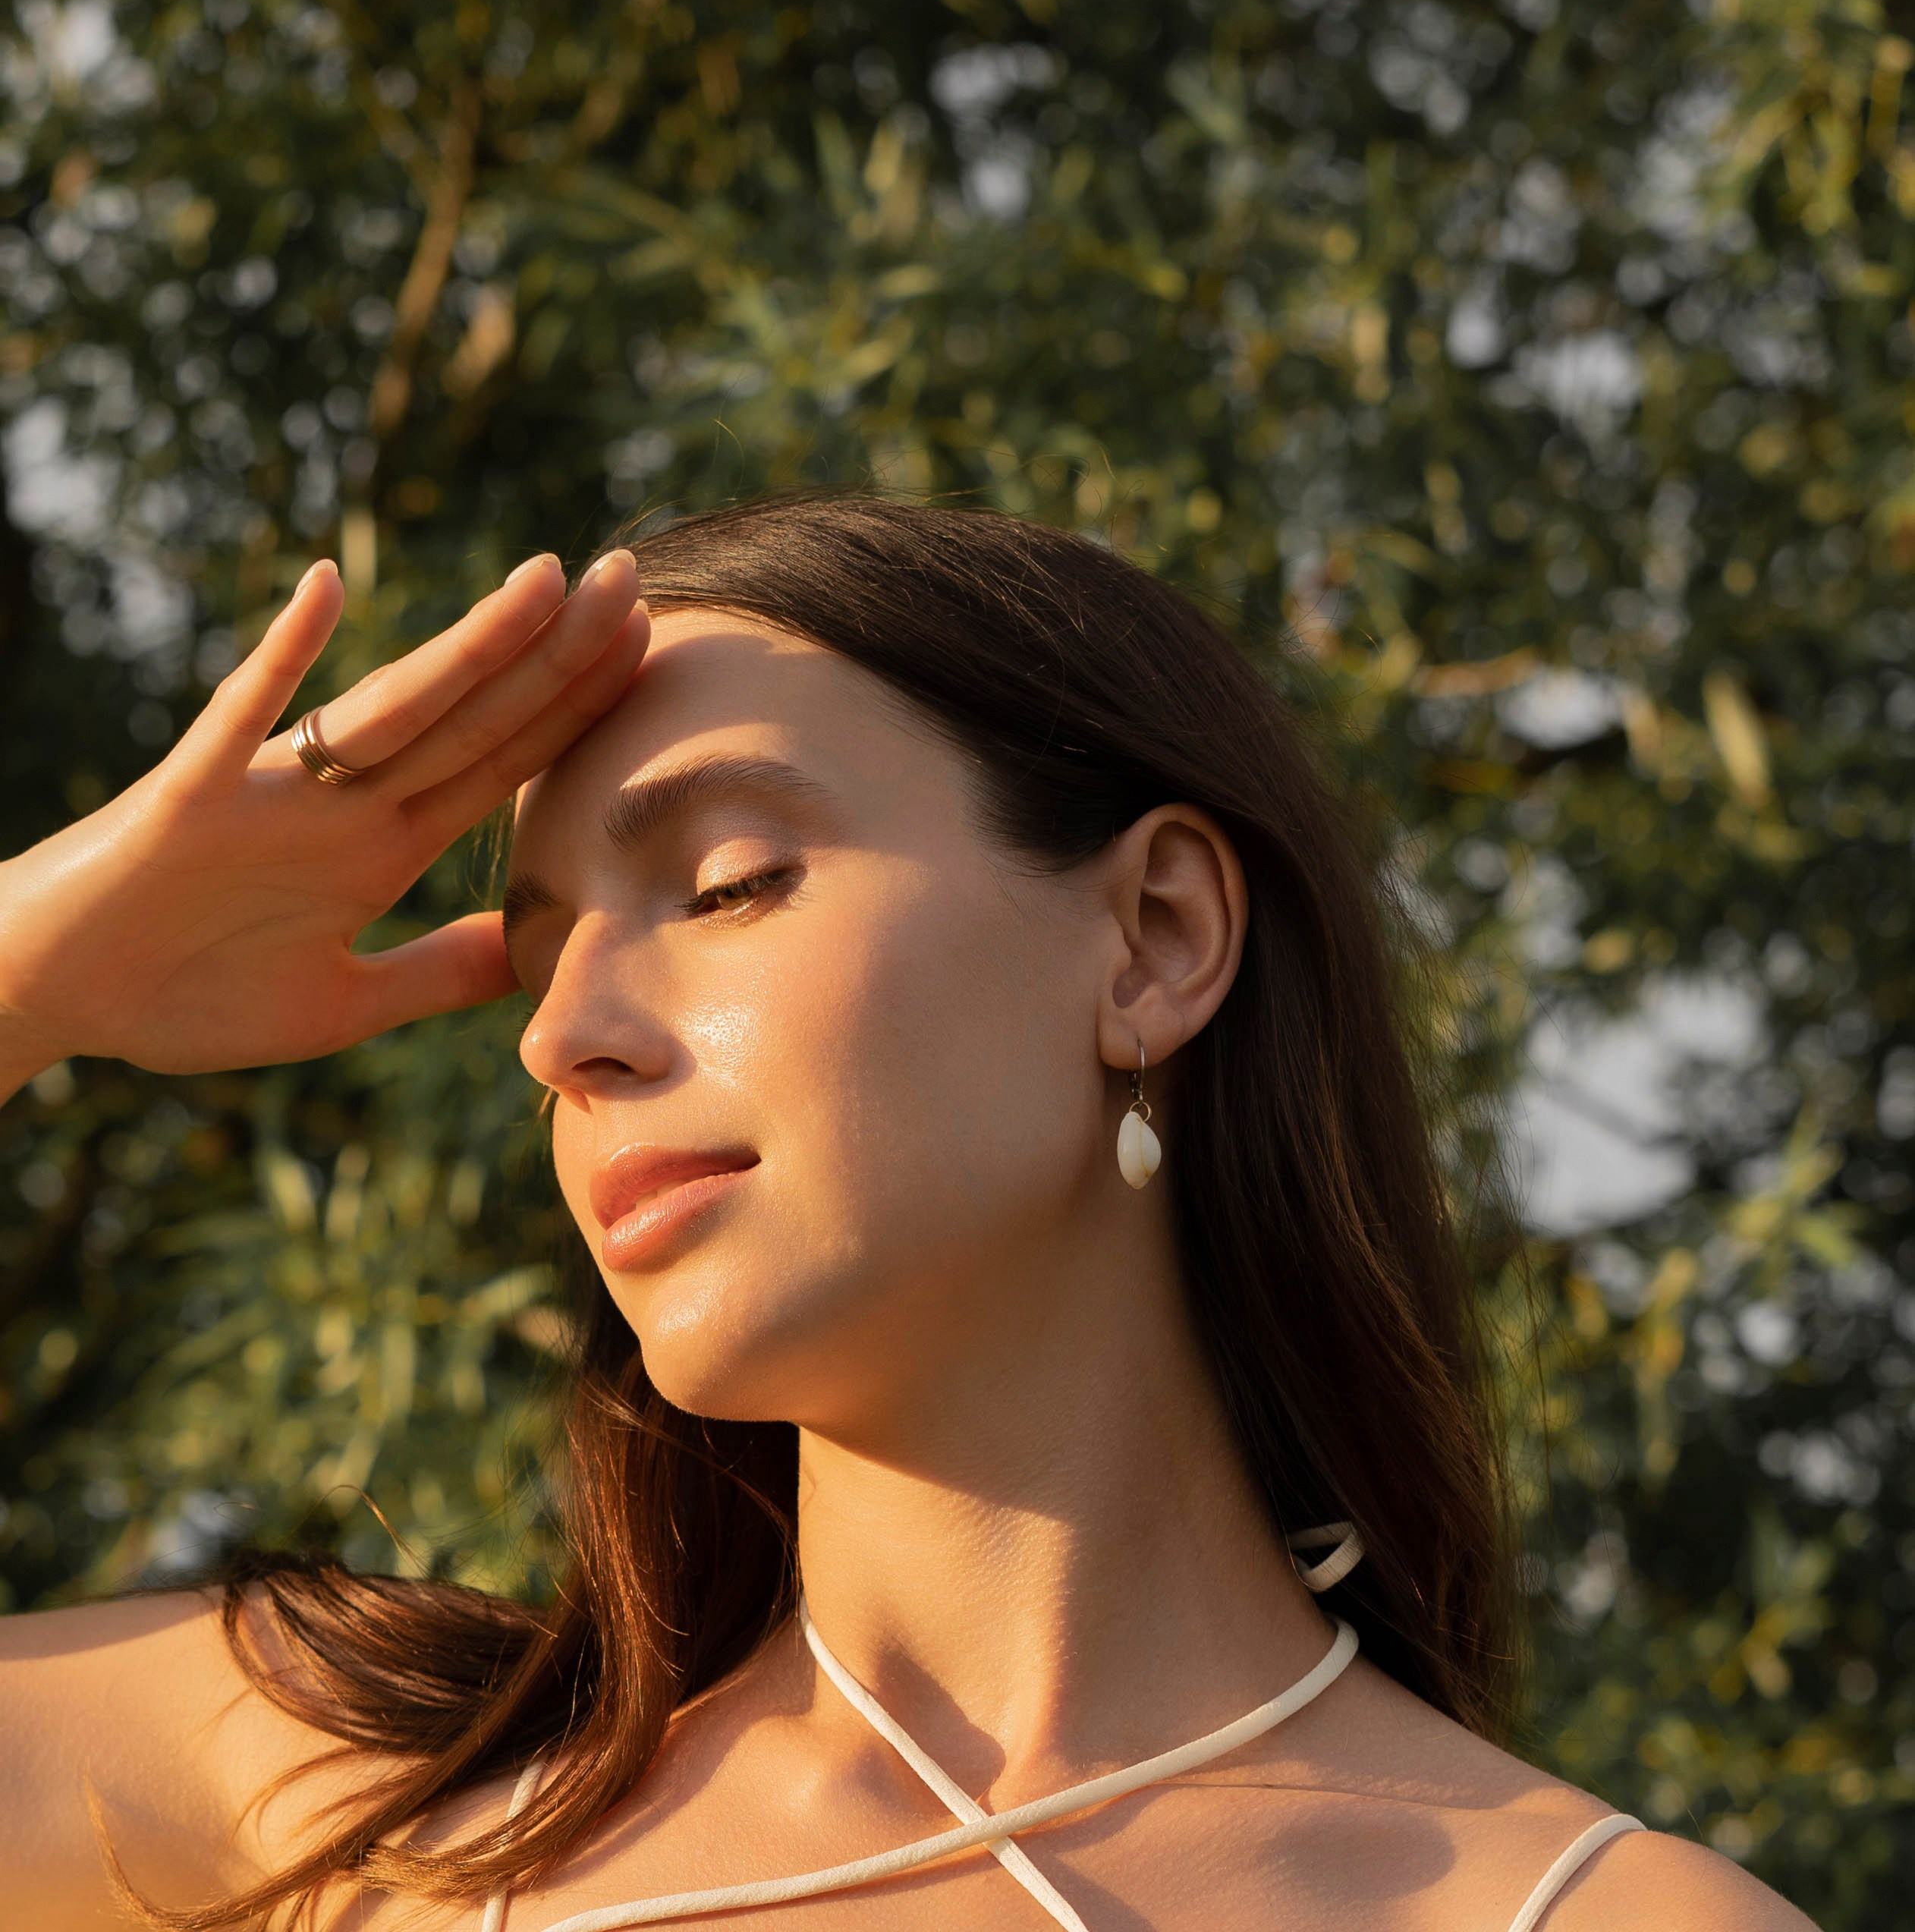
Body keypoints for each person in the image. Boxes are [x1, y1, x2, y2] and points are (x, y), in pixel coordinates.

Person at [0, 493, 1811, 1932]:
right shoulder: (370, 1803)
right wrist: (34, 977)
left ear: (1154, 940)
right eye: (538, 959)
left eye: (725, 883)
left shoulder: (1589, 1917)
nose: (559, 1035)